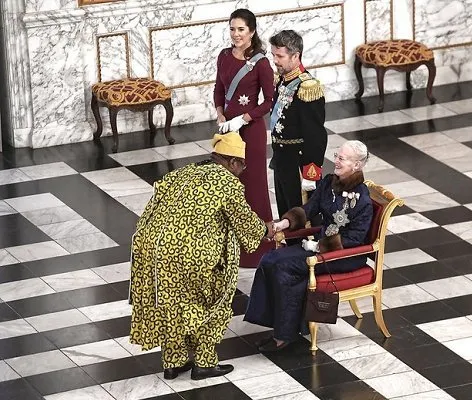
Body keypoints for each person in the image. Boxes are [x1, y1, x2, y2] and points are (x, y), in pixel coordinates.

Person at [129, 132, 275, 380]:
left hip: (150, 249)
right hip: (188, 254)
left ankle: (175, 362)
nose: (242, 170)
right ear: (232, 162)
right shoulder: (226, 181)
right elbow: (244, 221)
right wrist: (265, 230)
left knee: (172, 305)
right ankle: (204, 363)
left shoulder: (183, 173)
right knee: (214, 300)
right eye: (242, 165)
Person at [244, 141, 373, 352]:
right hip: (318, 247)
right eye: (337, 156)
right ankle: (281, 328)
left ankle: (284, 335)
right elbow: (310, 208)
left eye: (342, 158)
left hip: (342, 255)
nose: (337, 161)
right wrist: (284, 223)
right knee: (270, 259)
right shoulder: (328, 183)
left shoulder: (362, 200)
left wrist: (319, 247)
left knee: (284, 267)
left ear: (357, 165)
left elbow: (355, 240)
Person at [214, 8, 274, 267]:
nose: (235, 34)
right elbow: (218, 89)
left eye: (240, 29)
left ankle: (258, 248)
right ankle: (229, 244)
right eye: (232, 29)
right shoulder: (224, 56)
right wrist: (220, 115)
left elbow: (269, 101)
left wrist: (244, 119)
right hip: (227, 130)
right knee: (228, 185)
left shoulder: (261, 62)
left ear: (251, 31)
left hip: (251, 132)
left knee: (253, 184)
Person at [268, 30, 328, 217]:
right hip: (282, 160)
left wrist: (311, 173)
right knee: (285, 211)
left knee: (301, 218)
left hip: (299, 164)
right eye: (273, 55)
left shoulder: (307, 87)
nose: (275, 60)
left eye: (280, 56)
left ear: (296, 56)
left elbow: (316, 135)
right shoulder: (282, 80)